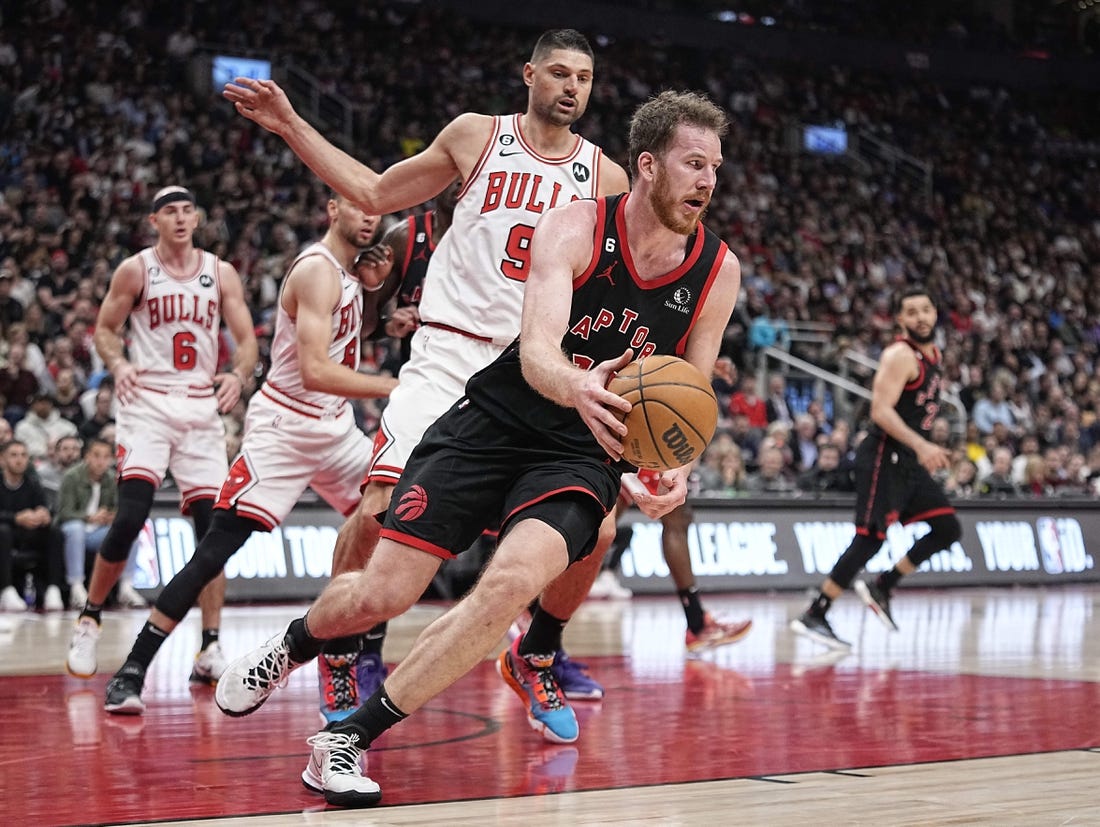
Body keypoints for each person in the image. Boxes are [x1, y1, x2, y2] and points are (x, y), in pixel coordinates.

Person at [214, 91, 739, 808]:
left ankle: (347, 739)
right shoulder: (576, 224)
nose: (709, 180)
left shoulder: (717, 269)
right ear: (647, 167)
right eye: (694, 163)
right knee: (383, 590)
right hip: (498, 414)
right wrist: (579, 383)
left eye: (716, 166)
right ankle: (296, 641)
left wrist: (672, 465)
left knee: (504, 587)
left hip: (581, 452)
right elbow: (536, 356)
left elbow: (693, 390)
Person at [223, 29, 629, 709]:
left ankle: (538, 650)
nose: (571, 88)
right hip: (448, 355)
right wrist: (291, 123)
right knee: (380, 511)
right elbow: (376, 194)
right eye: (558, 73)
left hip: (531, 367)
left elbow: (617, 289)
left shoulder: (606, 178)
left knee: (599, 529)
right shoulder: (477, 136)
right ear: (528, 74)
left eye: (584, 78)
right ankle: (340, 651)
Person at [100, 193, 395, 716]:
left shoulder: (350, 273)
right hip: (284, 427)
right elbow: (315, 371)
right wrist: (394, 385)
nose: (370, 215)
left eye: (377, 206)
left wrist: (375, 298)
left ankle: (356, 656)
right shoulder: (317, 271)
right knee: (213, 551)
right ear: (331, 208)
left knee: (391, 523)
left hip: (335, 427)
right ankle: (134, 667)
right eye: (358, 204)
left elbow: (347, 337)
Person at [65, 186, 258, 681]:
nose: (179, 217)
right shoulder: (136, 269)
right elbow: (106, 329)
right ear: (154, 220)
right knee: (129, 516)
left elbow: (247, 342)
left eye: (187, 209)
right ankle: (90, 617)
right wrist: (117, 363)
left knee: (211, 533)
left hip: (198, 407)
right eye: (169, 211)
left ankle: (210, 645)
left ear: (196, 216)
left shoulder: (220, 272)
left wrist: (238, 375)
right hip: (146, 400)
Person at [790, 287, 960, 651]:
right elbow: (880, 411)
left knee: (947, 527)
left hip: (910, 460)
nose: (920, 318)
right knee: (870, 537)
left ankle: (883, 585)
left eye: (926, 309)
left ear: (935, 313)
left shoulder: (934, 354)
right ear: (900, 320)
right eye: (911, 312)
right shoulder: (900, 355)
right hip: (885, 454)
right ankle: (816, 613)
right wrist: (923, 444)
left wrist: (925, 447)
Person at [620, 470, 752, 651]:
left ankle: (697, 620)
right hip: (627, 451)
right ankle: (697, 623)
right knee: (674, 516)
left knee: (678, 515)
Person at [55, 437, 146, 610]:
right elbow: (64, 513)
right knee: (75, 529)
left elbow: (119, 509)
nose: (100, 461)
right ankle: (76, 586)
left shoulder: (113, 478)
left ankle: (126, 587)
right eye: (96, 455)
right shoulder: (71, 477)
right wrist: (89, 517)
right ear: (87, 457)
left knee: (130, 532)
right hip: (75, 529)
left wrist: (110, 517)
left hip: (98, 532)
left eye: (105, 457)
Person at [0, 439, 64, 611]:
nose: (19, 460)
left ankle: (53, 589)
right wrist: (16, 518)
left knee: (54, 532)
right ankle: (6, 590)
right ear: (2, 459)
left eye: (23, 455)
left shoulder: (32, 482)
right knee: (3, 531)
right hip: (6, 533)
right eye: (13, 455)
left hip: (27, 533)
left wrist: (42, 515)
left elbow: (44, 507)